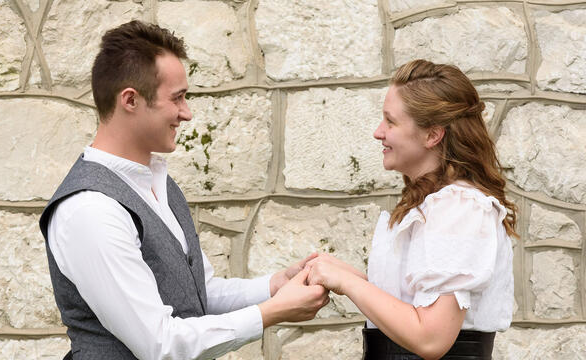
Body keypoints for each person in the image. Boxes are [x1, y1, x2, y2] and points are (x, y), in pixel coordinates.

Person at [39, 20, 329, 360]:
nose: (186, 113)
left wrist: (274, 285)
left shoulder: (157, 182)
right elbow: (160, 345)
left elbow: (199, 294)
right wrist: (272, 312)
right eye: (177, 98)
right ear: (130, 100)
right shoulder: (90, 210)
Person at [306, 59, 517, 360]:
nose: (379, 132)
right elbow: (413, 307)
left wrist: (348, 283)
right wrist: (350, 277)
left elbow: (430, 338)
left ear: (432, 135)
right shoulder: (438, 204)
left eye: (390, 122)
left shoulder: (458, 208)